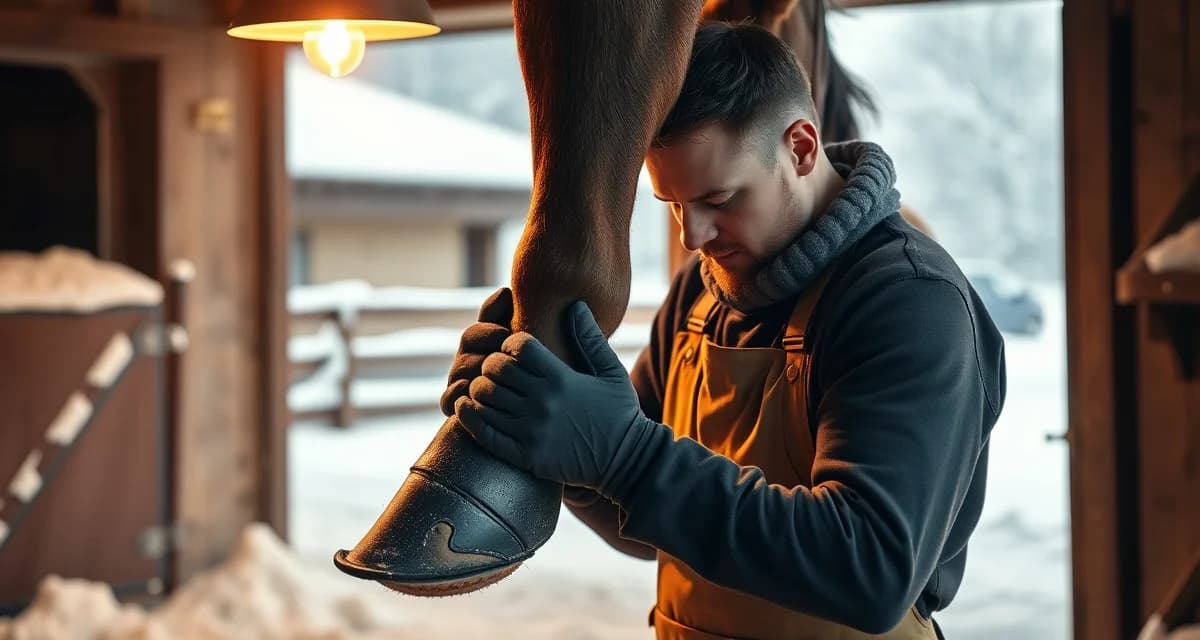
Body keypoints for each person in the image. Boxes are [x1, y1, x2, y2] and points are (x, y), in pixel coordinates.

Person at [443, 22, 1005, 639]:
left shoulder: (908, 301)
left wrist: (624, 455)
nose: (693, 236)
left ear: (800, 148)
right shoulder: (700, 290)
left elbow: (867, 568)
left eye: (721, 198)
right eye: (675, 204)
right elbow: (650, 521)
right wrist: (553, 439)